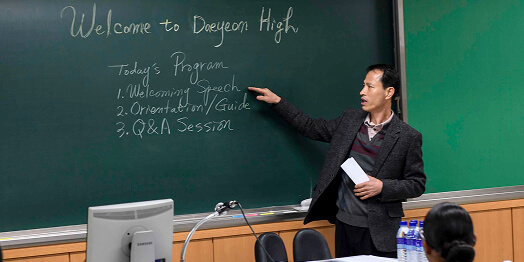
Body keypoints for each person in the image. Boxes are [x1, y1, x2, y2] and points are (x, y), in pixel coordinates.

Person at [248, 64, 426, 258]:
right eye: (363, 86)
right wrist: (278, 102)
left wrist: (382, 186)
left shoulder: (407, 137)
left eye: (369, 87)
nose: (362, 92)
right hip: (344, 227)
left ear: (388, 92)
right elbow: (310, 127)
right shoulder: (349, 120)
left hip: (381, 233)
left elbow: (416, 184)